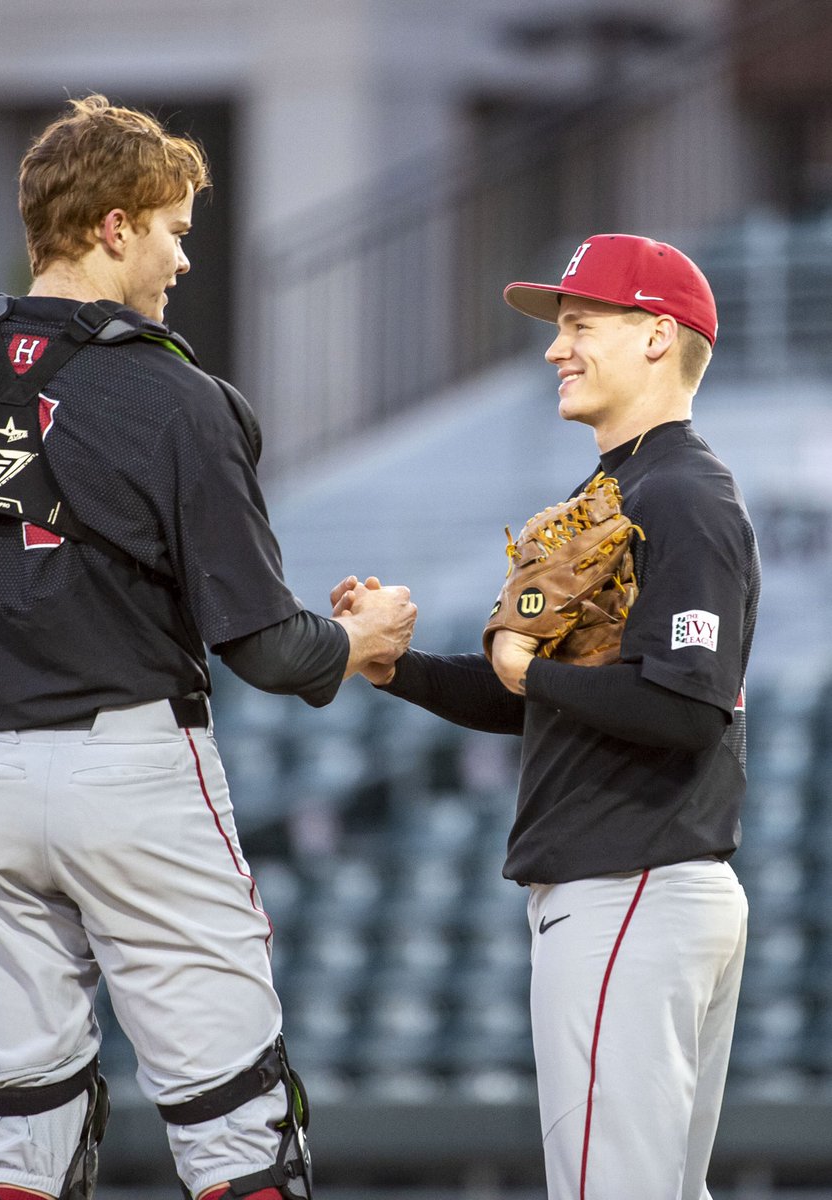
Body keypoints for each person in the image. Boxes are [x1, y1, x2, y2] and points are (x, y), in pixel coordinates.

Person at [0, 93, 417, 1200]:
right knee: (238, 1128)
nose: (184, 256)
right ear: (113, 226)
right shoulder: (178, 397)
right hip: (131, 773)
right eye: (175, 227)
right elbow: (272, 651)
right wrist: (363, 636)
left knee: (24, 1134)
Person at [334, 234, 759, 1200]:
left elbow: (687, 705)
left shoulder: (682, 495)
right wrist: (395, 667)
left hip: (630, 884)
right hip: (641, 887)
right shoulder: (618, 489)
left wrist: (534, 675)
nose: (554, 348)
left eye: (579, 325)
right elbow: (533, 697)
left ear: (657, 336)